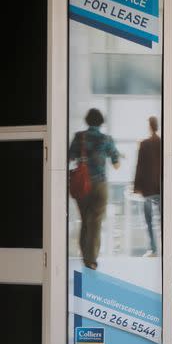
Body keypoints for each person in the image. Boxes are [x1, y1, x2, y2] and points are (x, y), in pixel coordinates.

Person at [68, 108, 120, 270]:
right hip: (99, 186)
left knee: (85, 221)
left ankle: (85, 258)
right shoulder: (106, 139)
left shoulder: (79, 137)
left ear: (87, 120)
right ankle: (92, 260)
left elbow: (69, 157)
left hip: (82, 185)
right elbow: (116, 164)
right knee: (96, 223)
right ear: (101, 122)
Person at [134, 116, 161, 257]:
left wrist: (136, 187)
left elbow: (139, 166)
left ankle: (153, 249)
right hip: (161, 189)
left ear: (149, 126)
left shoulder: (144, 144)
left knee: (148, 220)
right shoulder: (163, 143)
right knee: (163, 220)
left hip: (148, 190)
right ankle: (165, 247)